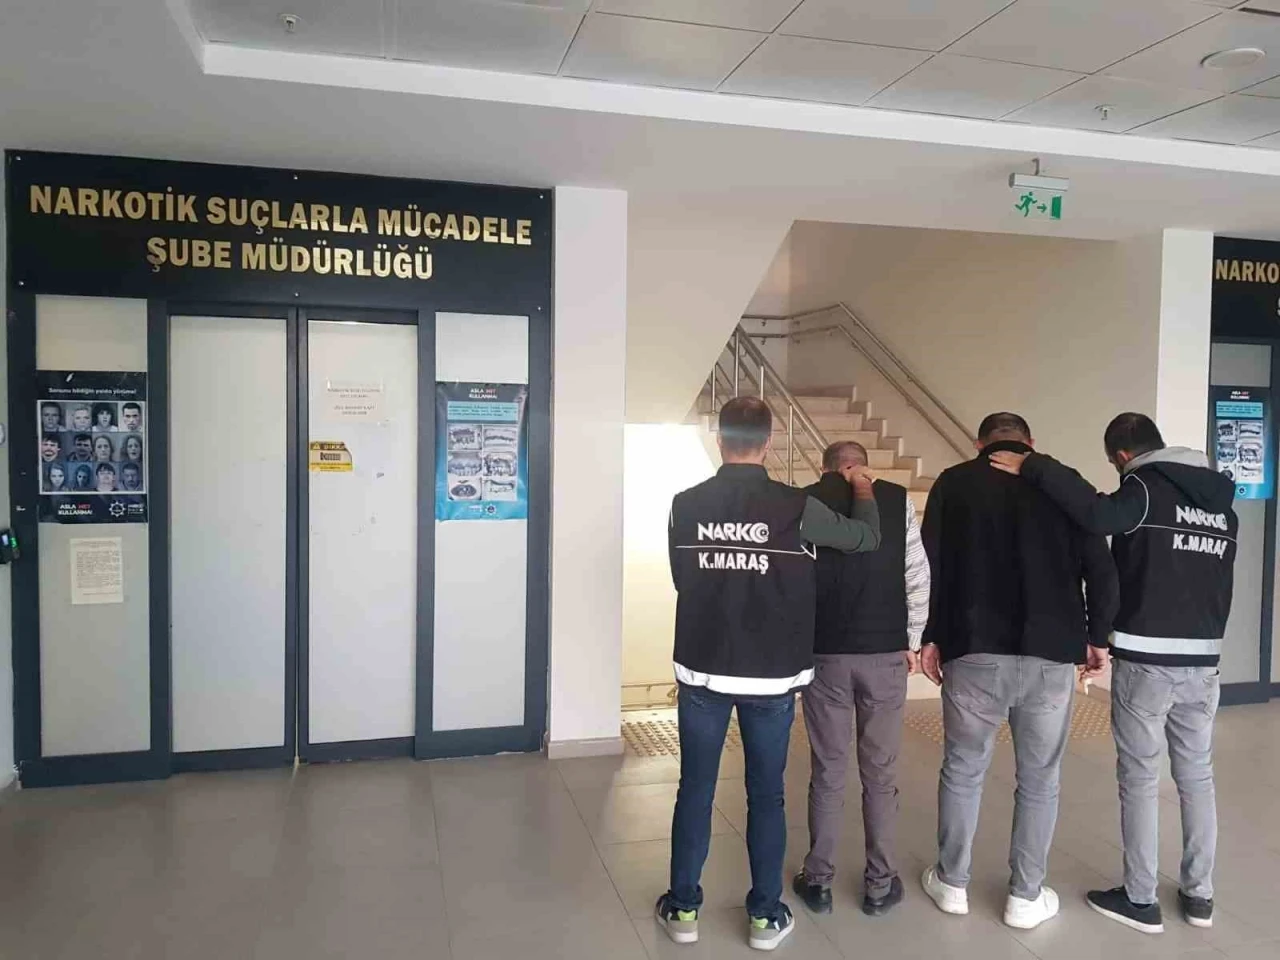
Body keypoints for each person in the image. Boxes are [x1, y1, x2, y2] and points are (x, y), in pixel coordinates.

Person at [990, 413, 1236, 934]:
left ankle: (1141, 899)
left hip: (1148, 661)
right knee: (1197, 776)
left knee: (1141, 778)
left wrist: (1035, 465)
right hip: (1204, 662)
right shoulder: (1221, 503)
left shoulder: (1144, 488)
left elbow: (1097, 515)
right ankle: (1200, 895)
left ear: (1122, 457)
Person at [659, 396, 882, 952]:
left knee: (695, 789)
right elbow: (865, 540)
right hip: (770, 678)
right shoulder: (797, 506)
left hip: (703, 670)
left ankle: (683, 908)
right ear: (769, 442)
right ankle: (764, 916)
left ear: (719, 439)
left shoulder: (685, 504)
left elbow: (682, 576)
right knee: (766, 795)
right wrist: (862, 488)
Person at [919, 413, 1118, 931]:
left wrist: (930, 635)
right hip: (1051, 654)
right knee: (1040, 778)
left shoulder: (954, 483)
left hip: (973, 649)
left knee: (963, 768)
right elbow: (1101, 569)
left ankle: (952, 883)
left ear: (979, 443)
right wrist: (1098, 638)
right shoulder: (1064, 485)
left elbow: (931, 564)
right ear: (1030, 442)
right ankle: (1025, 897)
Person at [791, 441, 930, 918]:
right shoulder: (896, 499)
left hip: (825, 655)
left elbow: (792, 579)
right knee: (881, 774)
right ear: (862, 466)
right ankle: (879, 885)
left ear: (824, 468)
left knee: (828, 771)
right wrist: (913, 639)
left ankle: (818, 881)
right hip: (885, 654)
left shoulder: (803, 502)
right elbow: (917, 574)